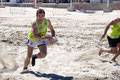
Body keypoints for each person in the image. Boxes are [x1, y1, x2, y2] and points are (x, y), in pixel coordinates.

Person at [21, 9, 57, 73]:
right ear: (36, 16)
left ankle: (34, 56)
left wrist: (53, 36)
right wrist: (47, 38)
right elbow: (35, 36)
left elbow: (52, 29)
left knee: (44, 54)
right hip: (33, 38)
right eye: (39, 16)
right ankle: (25, 68)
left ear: (44, 16)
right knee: (29, 55)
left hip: (42, 38)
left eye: (42, 16)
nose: (41, 17)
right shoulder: (34, 23)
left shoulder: (47, 21)